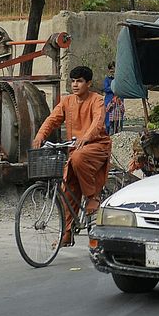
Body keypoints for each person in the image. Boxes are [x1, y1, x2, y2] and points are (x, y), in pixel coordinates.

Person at [33, 65, 112, 245]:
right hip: (76, 148)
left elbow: (98, 122)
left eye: (80, 81)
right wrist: (40, 135)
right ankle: (66, 233)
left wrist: (86, 136)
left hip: (97, 145)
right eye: (73, 81)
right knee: (67, 189)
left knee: (77, 158)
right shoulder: (67, 101)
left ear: (89, 83)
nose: (75, 85)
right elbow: (52, 119)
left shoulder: (97, 100)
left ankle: (92, 197)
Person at [102, 61, 123, 134]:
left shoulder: (120, 79)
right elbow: (105, 88)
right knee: (108, 119)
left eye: (114, 69)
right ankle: (107, 134)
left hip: (119, 101)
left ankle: (118, 134)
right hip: (109, 101)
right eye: (111, 69)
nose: (112, 71)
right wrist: (114, 88)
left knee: (119, 118)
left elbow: (122, 88)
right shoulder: (107, 79)